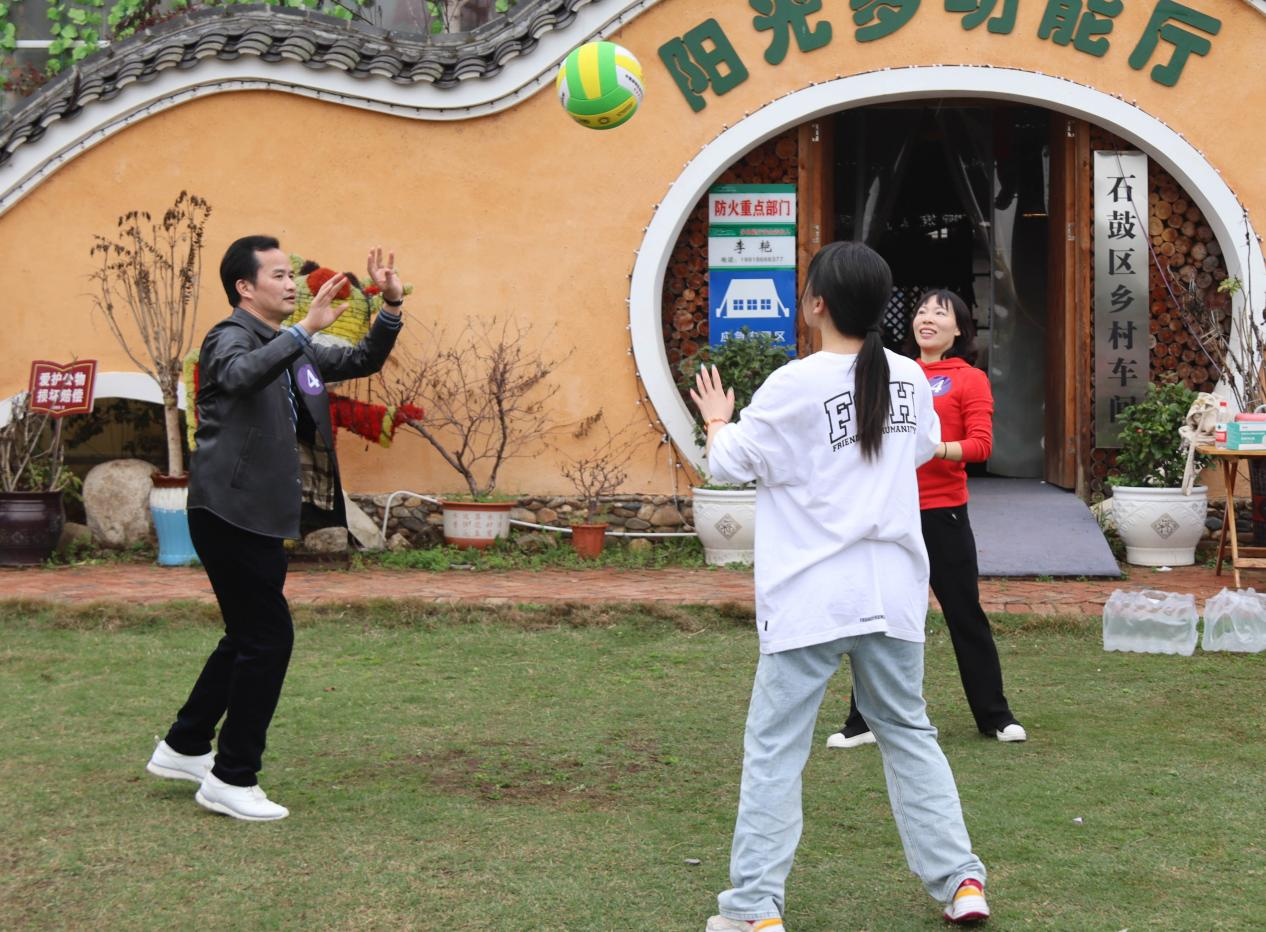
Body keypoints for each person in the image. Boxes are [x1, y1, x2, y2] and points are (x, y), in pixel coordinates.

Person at [692, 242, 990, 929]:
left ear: (817, 304)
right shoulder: (910, 376)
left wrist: (716, 419)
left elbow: (729, 463)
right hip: (892, 591)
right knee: (909, 734)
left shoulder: (796, 382)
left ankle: (755, 909)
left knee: (775, 750)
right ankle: (961, 882)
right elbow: (919, 450)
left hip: (811, 595)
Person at [145, 237, 406, 821]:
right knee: (268, 638)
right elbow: (239, 376)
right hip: (228, 511)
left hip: (258, 512)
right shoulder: (229, 337)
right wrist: (303, 331)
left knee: (246, 635)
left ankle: (185, 745)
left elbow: (361, 359)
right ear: (245, 287)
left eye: (292, 275)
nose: (292, 285)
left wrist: (390, 307)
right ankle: (231, 777)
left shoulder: (290, 344)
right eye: (280, 275)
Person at [826, 289, 1026, 750]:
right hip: (892, 513)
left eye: (941, 312)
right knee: (878, 617)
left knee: (964, 615)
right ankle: (862, 721)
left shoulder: (969, 378)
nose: (928, 318)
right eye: (921, 311)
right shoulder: (893, 371)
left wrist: (929, 448)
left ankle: (996, 717)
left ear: (959, 329)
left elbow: (980, 446)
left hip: (944, 513)